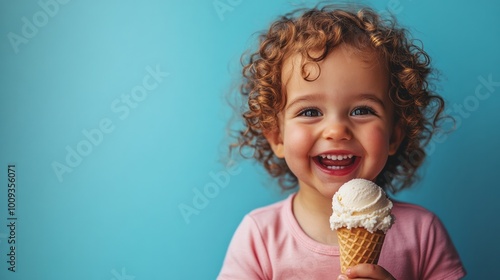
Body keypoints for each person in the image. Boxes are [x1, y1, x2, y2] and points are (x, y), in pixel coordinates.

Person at [218, 4, 466, 280]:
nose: (336, 130)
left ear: (394, 135)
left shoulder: (423, 233)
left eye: (362, 110)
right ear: (277, 137)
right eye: (310, 112)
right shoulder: (259, 237)